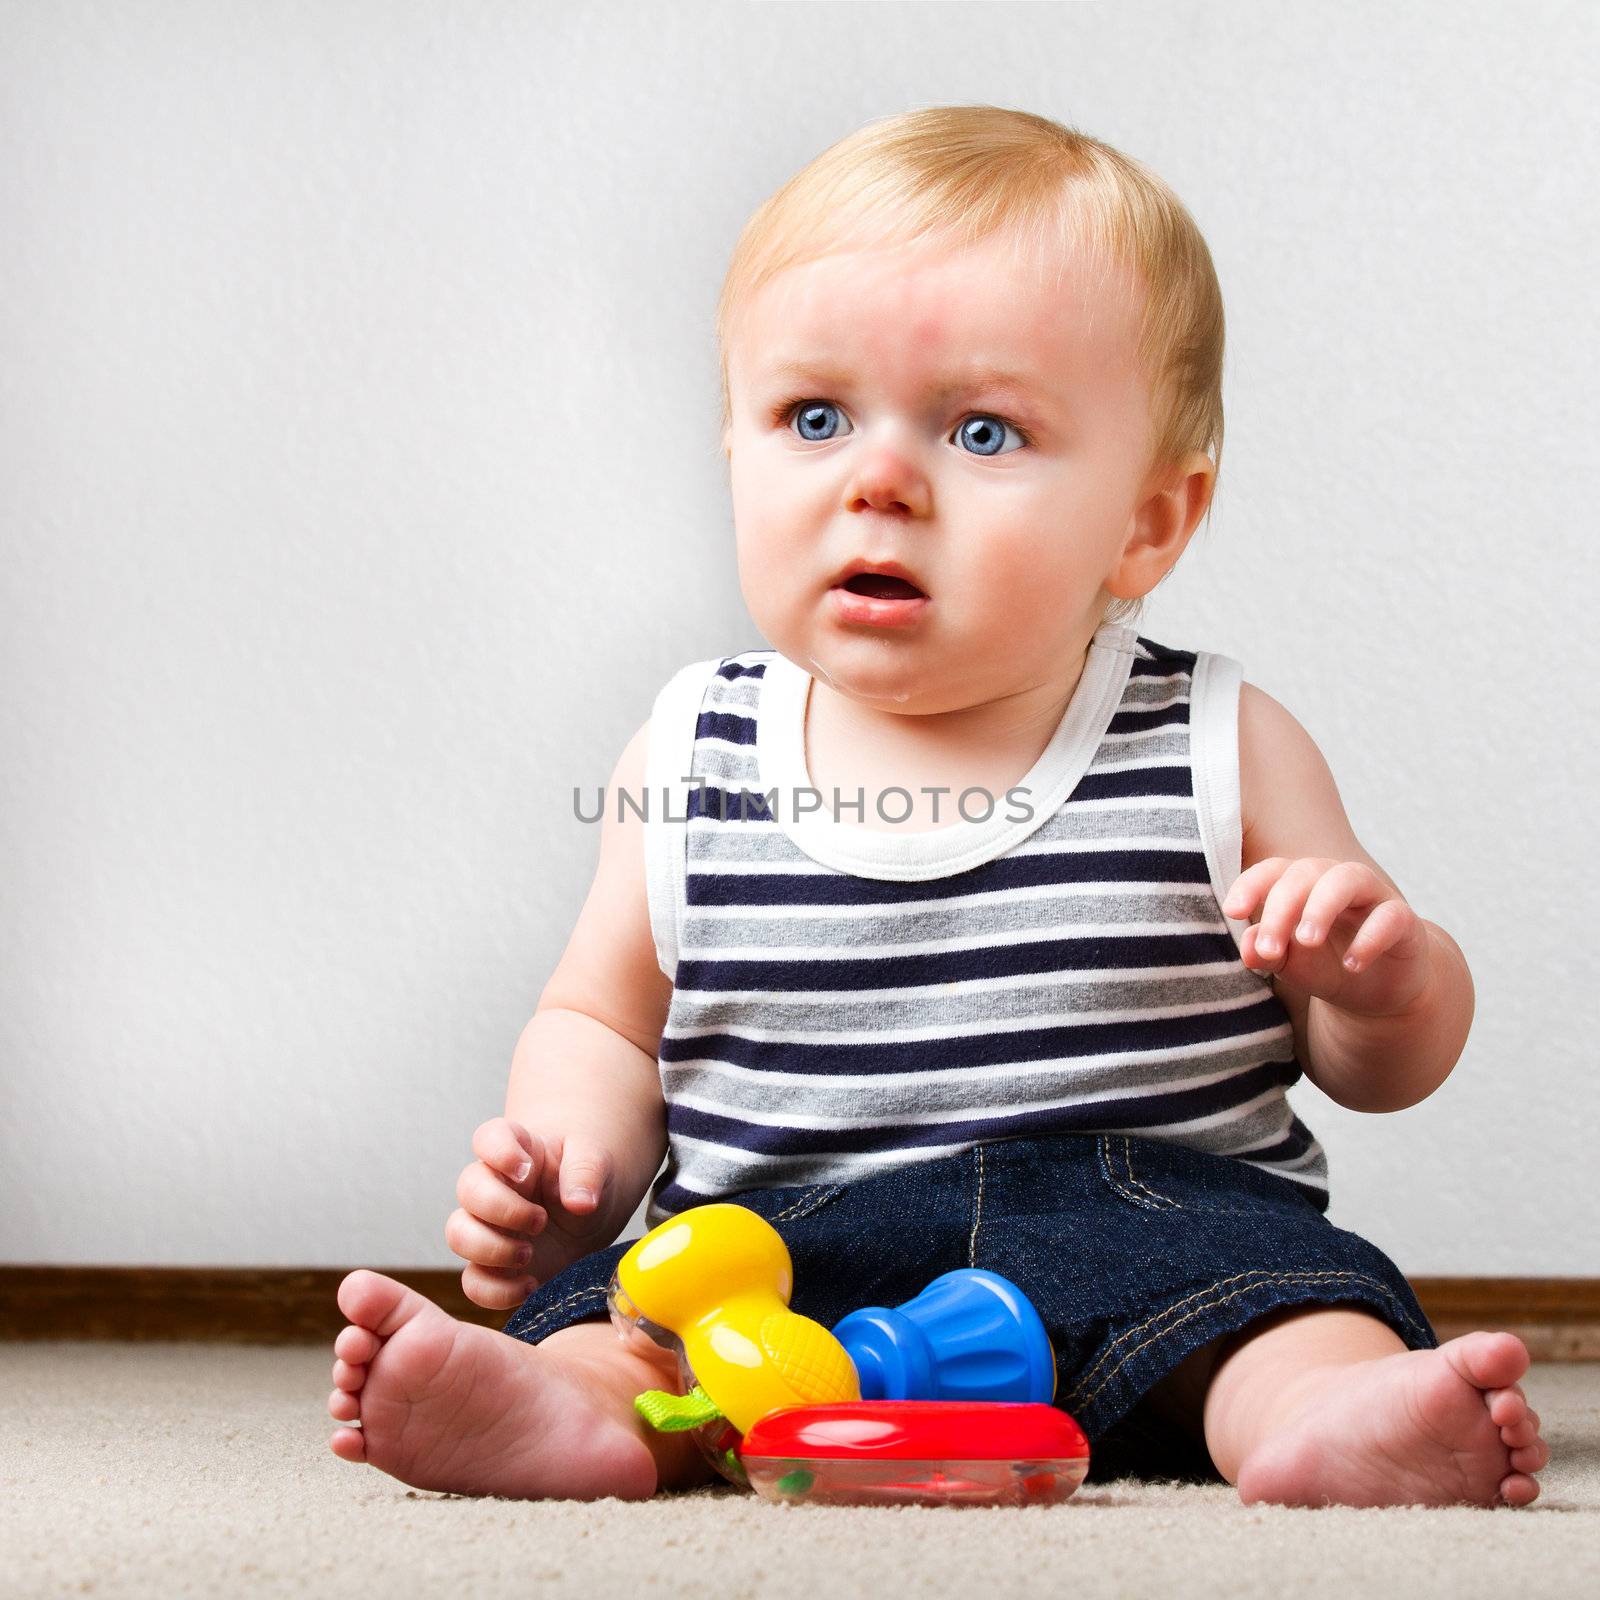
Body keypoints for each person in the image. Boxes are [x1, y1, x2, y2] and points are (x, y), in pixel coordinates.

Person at [324, 106, 1548, 1507]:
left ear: (1148, 520)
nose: (881, 480)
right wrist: (568, 1167)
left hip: (1148, 1230)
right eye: (815, 417)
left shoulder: (1219, 743)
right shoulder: (691, 751)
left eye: (983, 430)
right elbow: (601, 1016)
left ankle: (1320, 1423)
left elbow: (1377, 1064)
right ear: (734, 445)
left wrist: (1377, 979)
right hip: (778, 1264)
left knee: (1287, 1311)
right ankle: (570, 1416)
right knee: (638, 1328)